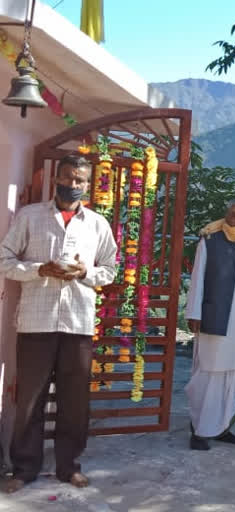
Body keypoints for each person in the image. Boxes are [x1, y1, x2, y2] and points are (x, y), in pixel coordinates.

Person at [0, 155, 117, 493]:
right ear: (57, 179)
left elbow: (109, 269)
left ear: (87, 183)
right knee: (30, 401)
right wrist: (40, 270)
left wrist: (85, 273)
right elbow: (5, 260)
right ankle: (24, 468)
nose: (74, 184)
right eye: (68, 178)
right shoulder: (30, 216)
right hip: (35, 323)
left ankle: (69, 466)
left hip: (78, 324)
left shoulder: (97, 224)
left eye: (80, 180)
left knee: (74, 401)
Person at [185, 199, 235, 451]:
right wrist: (194, 312)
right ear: (226, 215)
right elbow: (197, 277)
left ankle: (222, 427)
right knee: (209, 375)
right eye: (234, 216)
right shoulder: (209, 241)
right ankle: (199, 430)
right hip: (214, 319)